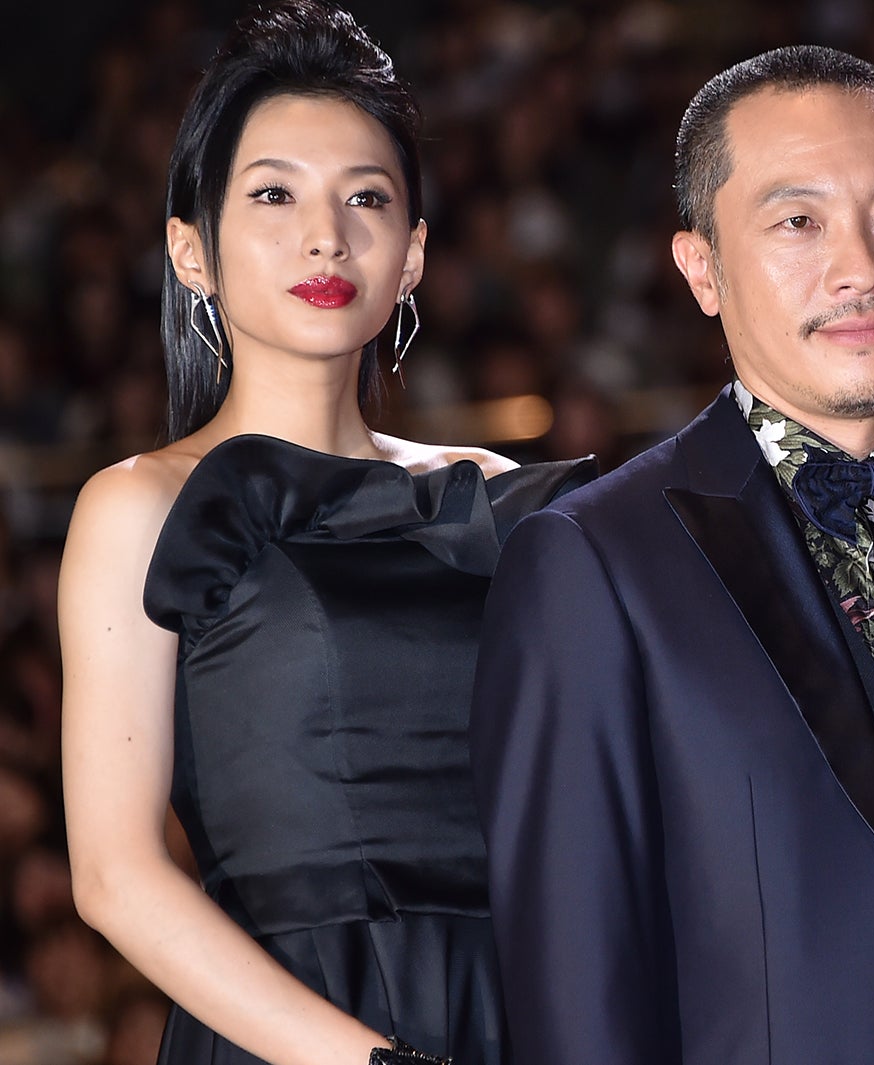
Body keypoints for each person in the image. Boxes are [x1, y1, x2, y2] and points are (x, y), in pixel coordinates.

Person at [469, 45, 874, 1065]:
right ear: (702, 269)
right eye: (798, 222)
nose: (861, 268)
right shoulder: (595, 564)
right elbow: (574, 995)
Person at [57, 4, 592, 1064]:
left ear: (412, 255)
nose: (326, 235)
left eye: (367, 198)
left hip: (522, 1013)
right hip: (290, 1034)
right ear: (191, 250)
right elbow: (116, 876)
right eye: (274, 194)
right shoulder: (138, 507)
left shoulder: (497, 501)